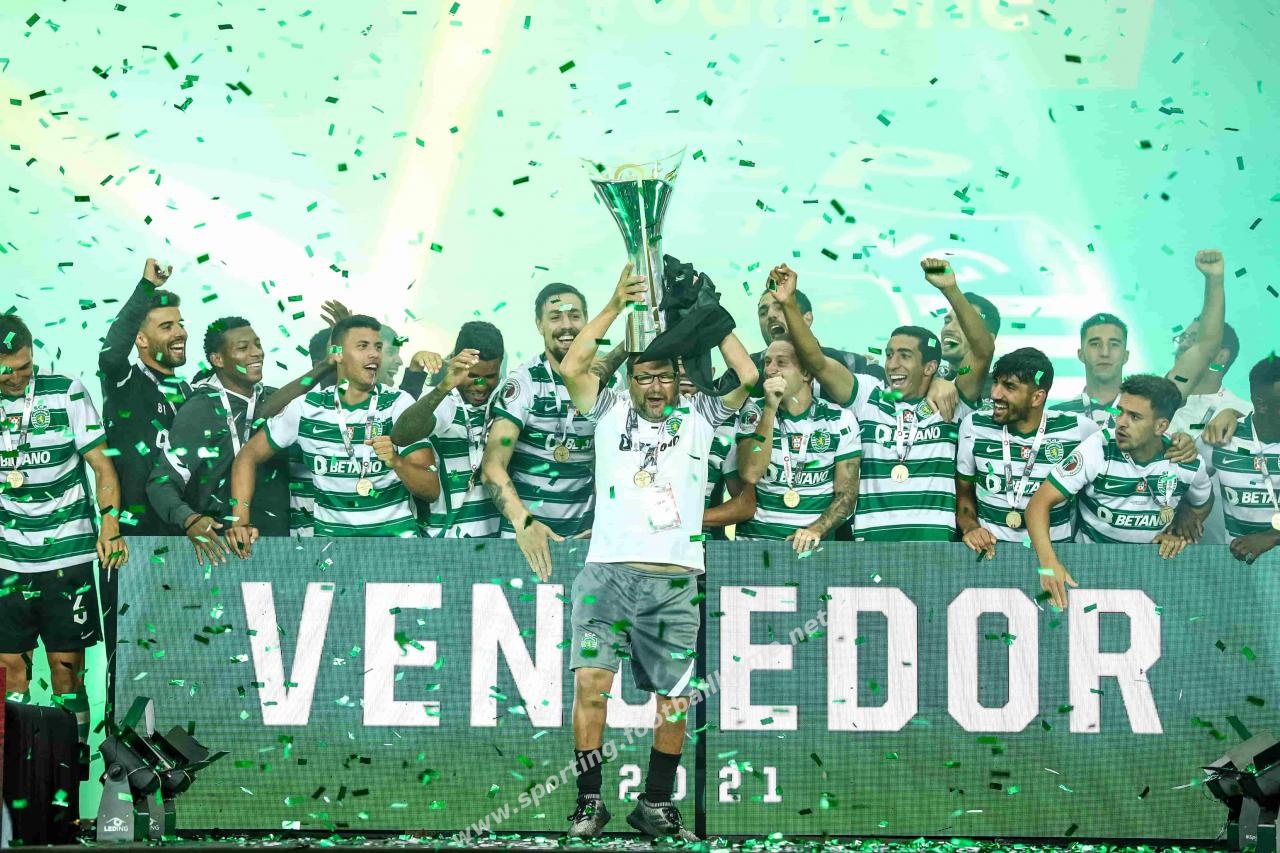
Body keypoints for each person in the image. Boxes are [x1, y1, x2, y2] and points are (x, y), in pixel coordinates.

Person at [555, 264, 757, 841]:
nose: (654, 387)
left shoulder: (700, 416)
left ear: (677, 378)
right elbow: (573, 365)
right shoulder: (607, 410)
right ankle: (588, 802)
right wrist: (615, 304)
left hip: (673, 580)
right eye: (643, 377)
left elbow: (748, 372)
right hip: (606, 575)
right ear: (630, 380)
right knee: (590, 688)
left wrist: (713, 320)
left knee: (672, 699)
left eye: (663, 377)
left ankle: (656, 802)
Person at [773, 260, 994, 541]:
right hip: (872, 546)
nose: (892, 364)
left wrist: (950, 289)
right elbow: (817, 362)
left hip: (934, 543)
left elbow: (983, 351)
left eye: (905, 355)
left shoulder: (952, 400)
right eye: (889, 354)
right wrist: (789, 303)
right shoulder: (868, 395)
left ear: (929, 367)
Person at [1, 314, 128, 769]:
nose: (17, 377)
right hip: (7, 561)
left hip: (66, 556)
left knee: (66, 672)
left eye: (24, 366)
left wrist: (110, 523)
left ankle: (69, 774)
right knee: (10, 673)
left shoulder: (66, 391)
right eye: (6, 371)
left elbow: (103, 466)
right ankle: (15, 775)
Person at [225, 316, 440, 552]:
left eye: (378, 347)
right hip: (332, 554)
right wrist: (240, 522)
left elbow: (431, 490)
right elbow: (247, 456)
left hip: (394, 552)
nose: (374, 354)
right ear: (337, 354)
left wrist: (396, 462)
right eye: (363, 346)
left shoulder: (398, 404)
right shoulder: (306, 407)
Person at [1027, 375, 1214, 610]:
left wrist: (1180, 531)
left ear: (1161, 426)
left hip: (1152, 574)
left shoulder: (1186, 463)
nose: (1121, 423)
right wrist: (1048, 563)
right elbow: (1038, 505)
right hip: (1088, 570)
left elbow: (1204, 502)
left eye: (1134, 417)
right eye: (1120, 412)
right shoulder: (1099, 448)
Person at [481, 282, 619, 575]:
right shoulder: (523, 384)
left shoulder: (610, 385)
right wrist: (524, 523)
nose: (566, 325)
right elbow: (492, 466)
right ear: (539, 325)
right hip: (525, 543)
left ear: (587, 320)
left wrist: (607, 524)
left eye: (575, 316)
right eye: (555, 317)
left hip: (587, 541)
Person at [146, 318, 292, 565]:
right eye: (243, 348)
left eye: (257, 344)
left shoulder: (275, 402)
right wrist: (189, 519)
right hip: (220, 551)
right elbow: (161, 483)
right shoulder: (201, 409)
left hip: (280, 550)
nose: (256, 353)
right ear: (218, 359)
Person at [1052, 249, 1227, 429]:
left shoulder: (1154, 403)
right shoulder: (1056, 416)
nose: (1105, 352)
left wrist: (1214, 280)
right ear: (1081, 354)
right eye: (1095, 344)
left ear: (1126, 355)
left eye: (1114, 344)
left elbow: (1204, 349)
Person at [956, 348, 1099, 557]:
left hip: (1056, 557)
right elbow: (964, 493)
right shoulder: (974, 426)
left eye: (1009, 387)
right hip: (991, 555)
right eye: (996, 382)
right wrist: (970, 527)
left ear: (1037, 397)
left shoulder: (1079, 430)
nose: (995, 394)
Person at [734, 337, 861, 550]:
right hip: (755, 549)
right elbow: (751, 472)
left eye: (781, 362)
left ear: (806, 373)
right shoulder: (753, 412)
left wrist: (816, 530)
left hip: (812, 552)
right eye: (767, 362)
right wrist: (770, 409)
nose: (770, 370)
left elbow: (846, 496)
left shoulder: (840, 420)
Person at [98, 258, 191, 534]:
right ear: (140, 339)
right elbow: (111, 356)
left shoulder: (190, 393)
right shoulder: (124, 384)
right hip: (134, 537)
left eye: (180, 324)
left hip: (188, 533)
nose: (180, 333)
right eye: (167, 327)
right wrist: (147, 286)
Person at [391, 321, 506, 538]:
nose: (481, 385)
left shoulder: (505, 404)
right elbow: (400, 435)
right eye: (473, 375)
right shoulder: (444, 403)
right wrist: (445, 385)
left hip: (496, 543)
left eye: (490, 376)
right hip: (443, 543)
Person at [1196, 355, 1280, 564]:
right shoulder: (1221, 438)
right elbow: (1185, 484)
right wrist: (1187, 514)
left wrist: (1272, 536)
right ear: (1261, 404)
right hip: (1234, 562)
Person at [752, 279, 884, 402]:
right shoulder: (751, 368)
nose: (770, 315)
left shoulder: (852, 364)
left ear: (807, 319)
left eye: (781, 307)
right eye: (763, 313)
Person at [937, 290, 1001, 402]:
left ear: (989, 340)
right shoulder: (926, 383)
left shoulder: (1000, 391)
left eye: (963, 324)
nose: (948, 329)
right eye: (947, 321)